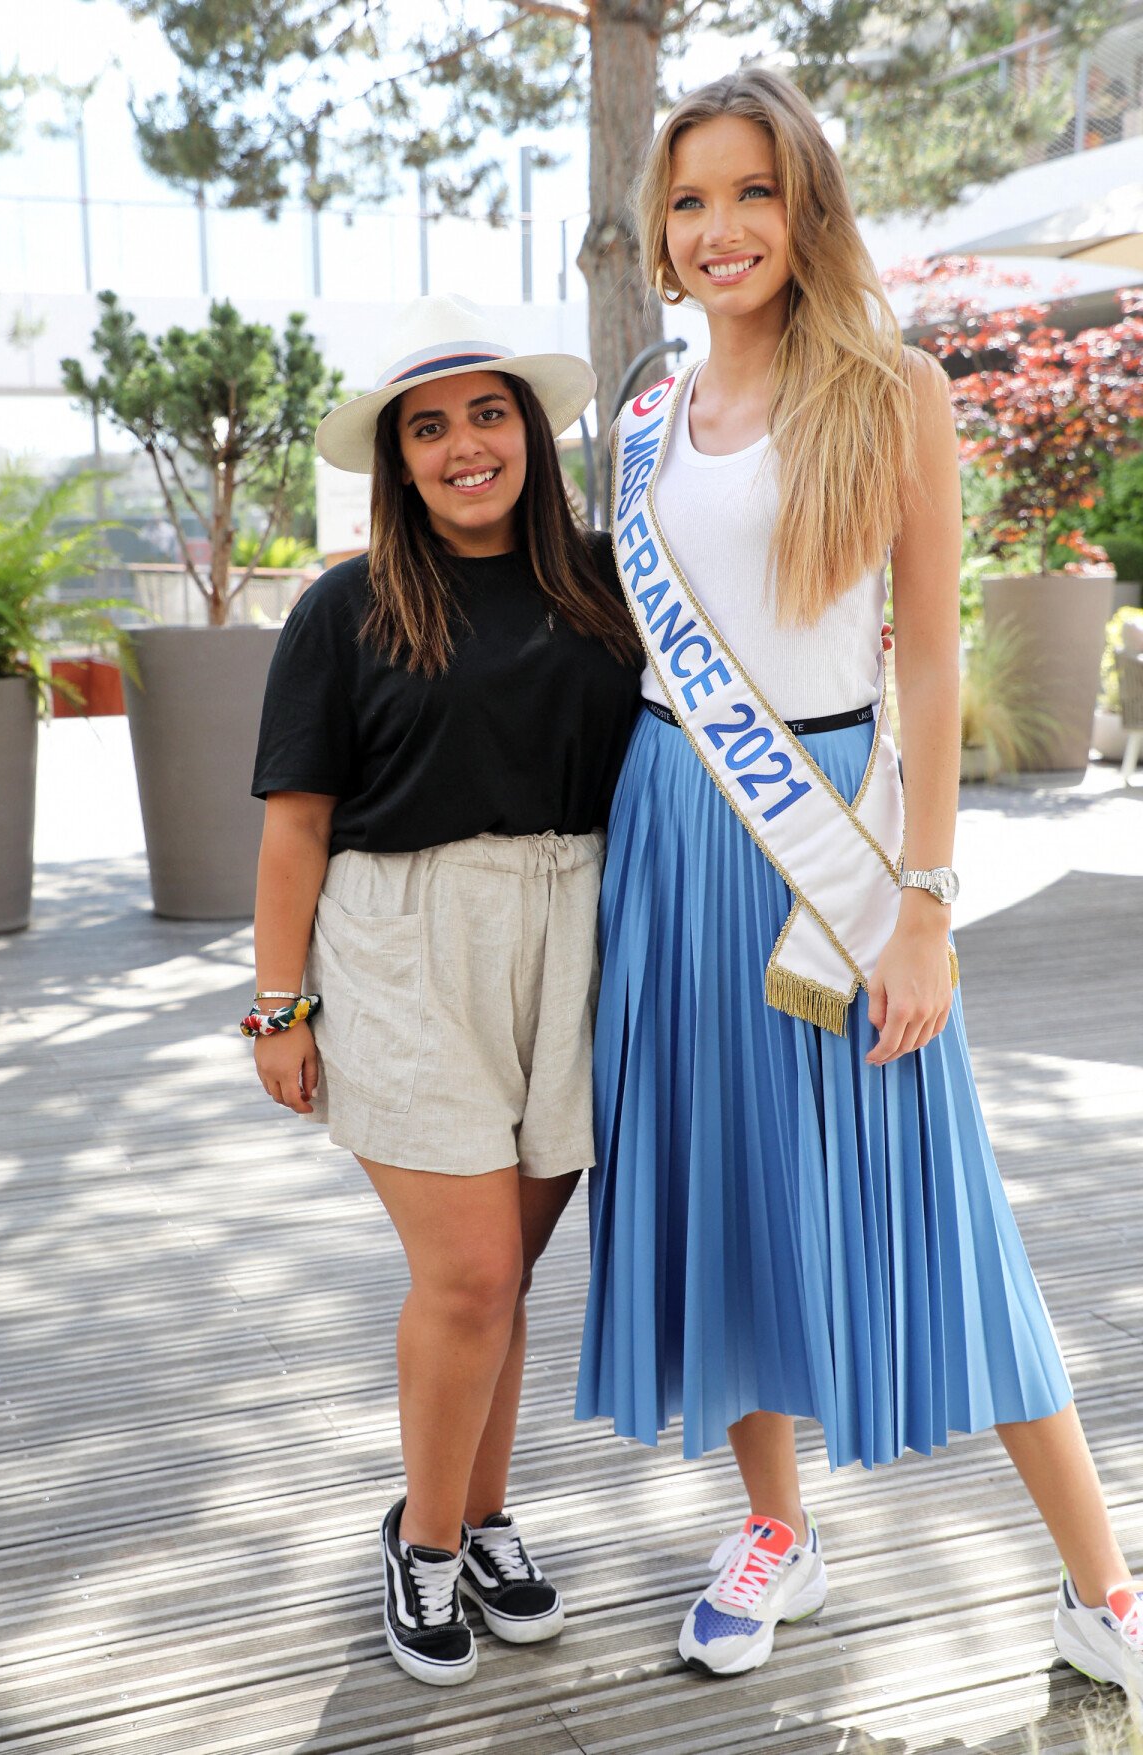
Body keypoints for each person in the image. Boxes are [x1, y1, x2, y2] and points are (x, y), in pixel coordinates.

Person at [575, 68, 1143, 1706]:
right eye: (690, 201)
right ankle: (777, 1533)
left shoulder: (892, 390)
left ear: (807, 208)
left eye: (754, 192)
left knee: (942, 1206)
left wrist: (927, 904)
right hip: (672, 838)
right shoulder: (643, 416)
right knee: (724, 1187)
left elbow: (938, 655)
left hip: (826, 840)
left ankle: (1102, 1581)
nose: (721, 226)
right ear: (662, 237)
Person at [247, 293, 642, 1687]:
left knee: (505, 1279)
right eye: (430, 427)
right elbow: (295, 824)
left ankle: (483, 1517)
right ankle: (421, 1546)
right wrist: (278, 1008)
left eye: (487, 415)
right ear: (398, 461)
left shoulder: (606, 581)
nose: (464, 445)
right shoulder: (347, 606)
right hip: (404, 937)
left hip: (572, 934)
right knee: (468, 1271)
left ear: (529, 431)